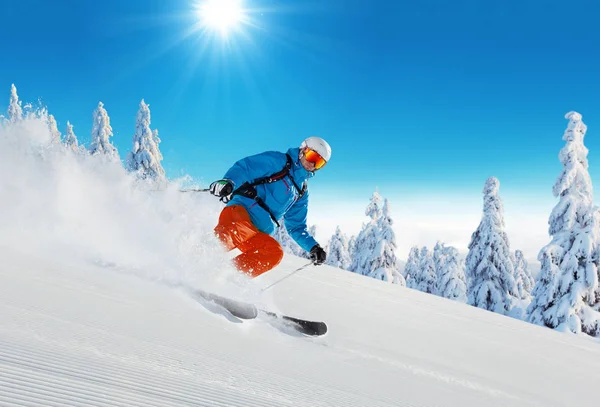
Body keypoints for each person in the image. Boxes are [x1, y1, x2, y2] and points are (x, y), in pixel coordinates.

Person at [209, 136, 331, 278]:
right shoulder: (279, 162)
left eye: (319, 163)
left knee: (273, 252)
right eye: (312, 156)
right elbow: (247, 167)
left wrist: (313, 247)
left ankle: (227, 278)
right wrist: (229, 181)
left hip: (256, 232)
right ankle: (194, 259)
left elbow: (296, 226)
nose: (312, 164)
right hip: (241, 213)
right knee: (228, 236)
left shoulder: (301, 192)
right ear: (303, 150)